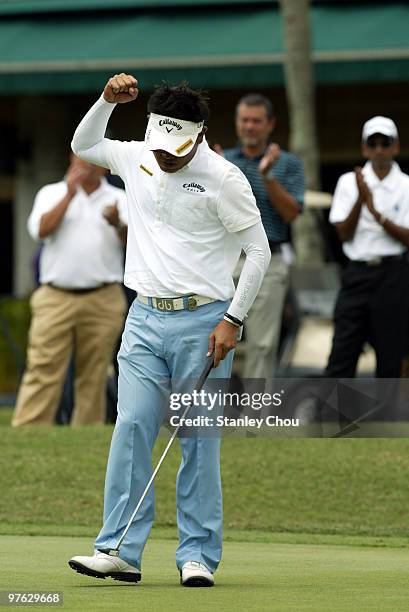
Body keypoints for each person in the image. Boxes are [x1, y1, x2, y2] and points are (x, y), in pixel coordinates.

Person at [68, 74, 270, 587]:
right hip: (142, 319)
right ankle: (117, 550)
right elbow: (84, 144)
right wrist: (105, 102)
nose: (164, 158)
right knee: (132, 427)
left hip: (205, 322)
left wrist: (233, 319)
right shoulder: (137, 154)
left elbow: (258, 252)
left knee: (197, 439)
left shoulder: (224, 178)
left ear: (199, 136)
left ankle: (197, 555)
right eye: (160, 148)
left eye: (176, 151)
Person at [12, 155, 128, 427]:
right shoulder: (50, 192)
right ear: (71, 159)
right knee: (43, 366)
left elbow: (134, 244)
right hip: (55, 296)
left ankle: (87, 432)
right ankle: (30, 428)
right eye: (82, 158)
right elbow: (41, 231)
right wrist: (68, 193)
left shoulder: (120, 197)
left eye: (94, 159)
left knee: (96, 371)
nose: (88, 164)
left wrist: (117, 223)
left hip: (104, 296)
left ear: (104, 164)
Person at [217, 94, 304, 379]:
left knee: (263, 343)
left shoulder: (288, 164)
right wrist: (214, 173)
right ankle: (209, 411)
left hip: (269, 262)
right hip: (225, 260)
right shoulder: (223, 161)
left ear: (270, 125)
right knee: (211, 335)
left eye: (256, 121)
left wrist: (268, 176)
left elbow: (292, 213)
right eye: (244, 120)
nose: (249, 127)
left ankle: (257, 418)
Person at [326, 116, 409, 384]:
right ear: (364, 149)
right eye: (373, 143)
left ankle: (388, 423)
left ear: (396, 147)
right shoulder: (349, 182)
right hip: (357, 275)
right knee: (342, 352)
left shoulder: (406, 185)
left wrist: (376, 212)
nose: (379, 149)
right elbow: (343, 234)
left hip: (393, 275)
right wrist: (361, 200)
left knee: (390, 356)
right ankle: (334, 422)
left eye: (385, 143)